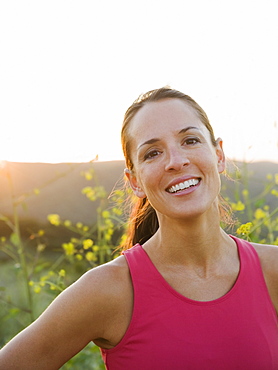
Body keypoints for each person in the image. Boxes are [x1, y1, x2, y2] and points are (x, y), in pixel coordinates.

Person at [0, 87, 277, 369]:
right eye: (153, 153)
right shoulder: (109, 290)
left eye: (190, 140)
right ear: (134, 182)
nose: (176, 161)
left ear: (219, 155)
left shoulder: (273, 271)